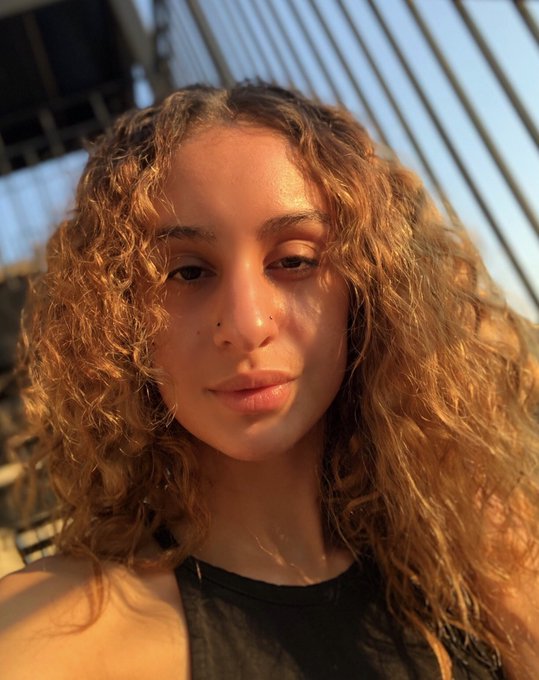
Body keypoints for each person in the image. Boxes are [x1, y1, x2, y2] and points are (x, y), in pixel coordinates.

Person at [0, 82, 538, 680]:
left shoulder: (483, 545)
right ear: (117, 316)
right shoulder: (62, 636)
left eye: (294, 261)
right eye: (186, 272)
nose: (247, 324)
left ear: (372, 290)